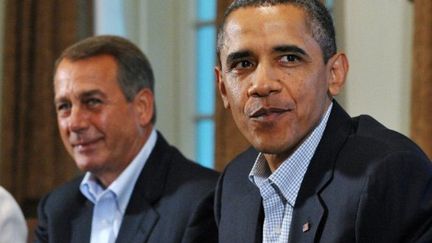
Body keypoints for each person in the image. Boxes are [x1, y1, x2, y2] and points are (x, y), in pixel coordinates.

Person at [214, 0, 432, 242]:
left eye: (288, 58)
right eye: (243, 64)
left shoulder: (388, 173)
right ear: (223, 87)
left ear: (334, 74)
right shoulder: (234, 181)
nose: (262, 85)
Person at [35, 35, 218, 243]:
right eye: (64, 106)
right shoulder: (57, 209)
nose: (75, 123)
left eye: (93, 102)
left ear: (142, 107)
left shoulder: (203, 201)